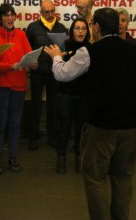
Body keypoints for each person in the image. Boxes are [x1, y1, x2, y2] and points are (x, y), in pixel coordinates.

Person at [44, 7, 136, 220]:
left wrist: (56, 57)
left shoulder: (89, 51)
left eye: (90, 25)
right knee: (123, 178)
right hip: (133, 125)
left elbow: (62, 74)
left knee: (96, 179)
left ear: (96, 27)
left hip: (103, 127)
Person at [0, 4, 34, 174]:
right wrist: (10, 66)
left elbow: (28, 54)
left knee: (15, 123)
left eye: (12, 15)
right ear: (0, 18)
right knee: (0, 123)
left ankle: (13, 157)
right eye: (6, 15)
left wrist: (32, 62)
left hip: (19, 84)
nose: (10, 18)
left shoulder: (21, 34)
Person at [26, 0, 67, 150]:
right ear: (41, 12)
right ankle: (33, 138)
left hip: (55, 73)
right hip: (37, 73)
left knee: (53, 106)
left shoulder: (62, 27)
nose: (50, 15)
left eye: (52, 11)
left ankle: (52, 137)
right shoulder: (32, 27)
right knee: (35, 106)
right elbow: (27, 49)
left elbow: (64, 50)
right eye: (46, 12)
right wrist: (30, 62)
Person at [55, 18, 91, 174]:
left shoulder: (91, 48)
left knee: (81, 130)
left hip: (84, 95)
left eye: (84, 28)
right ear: (71, 31)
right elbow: (57, 68)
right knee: (64, 127)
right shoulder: (63, 46)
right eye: (77, 28)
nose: (81, 31)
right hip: (65, 94)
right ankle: (61, 158)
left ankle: (79, 159)